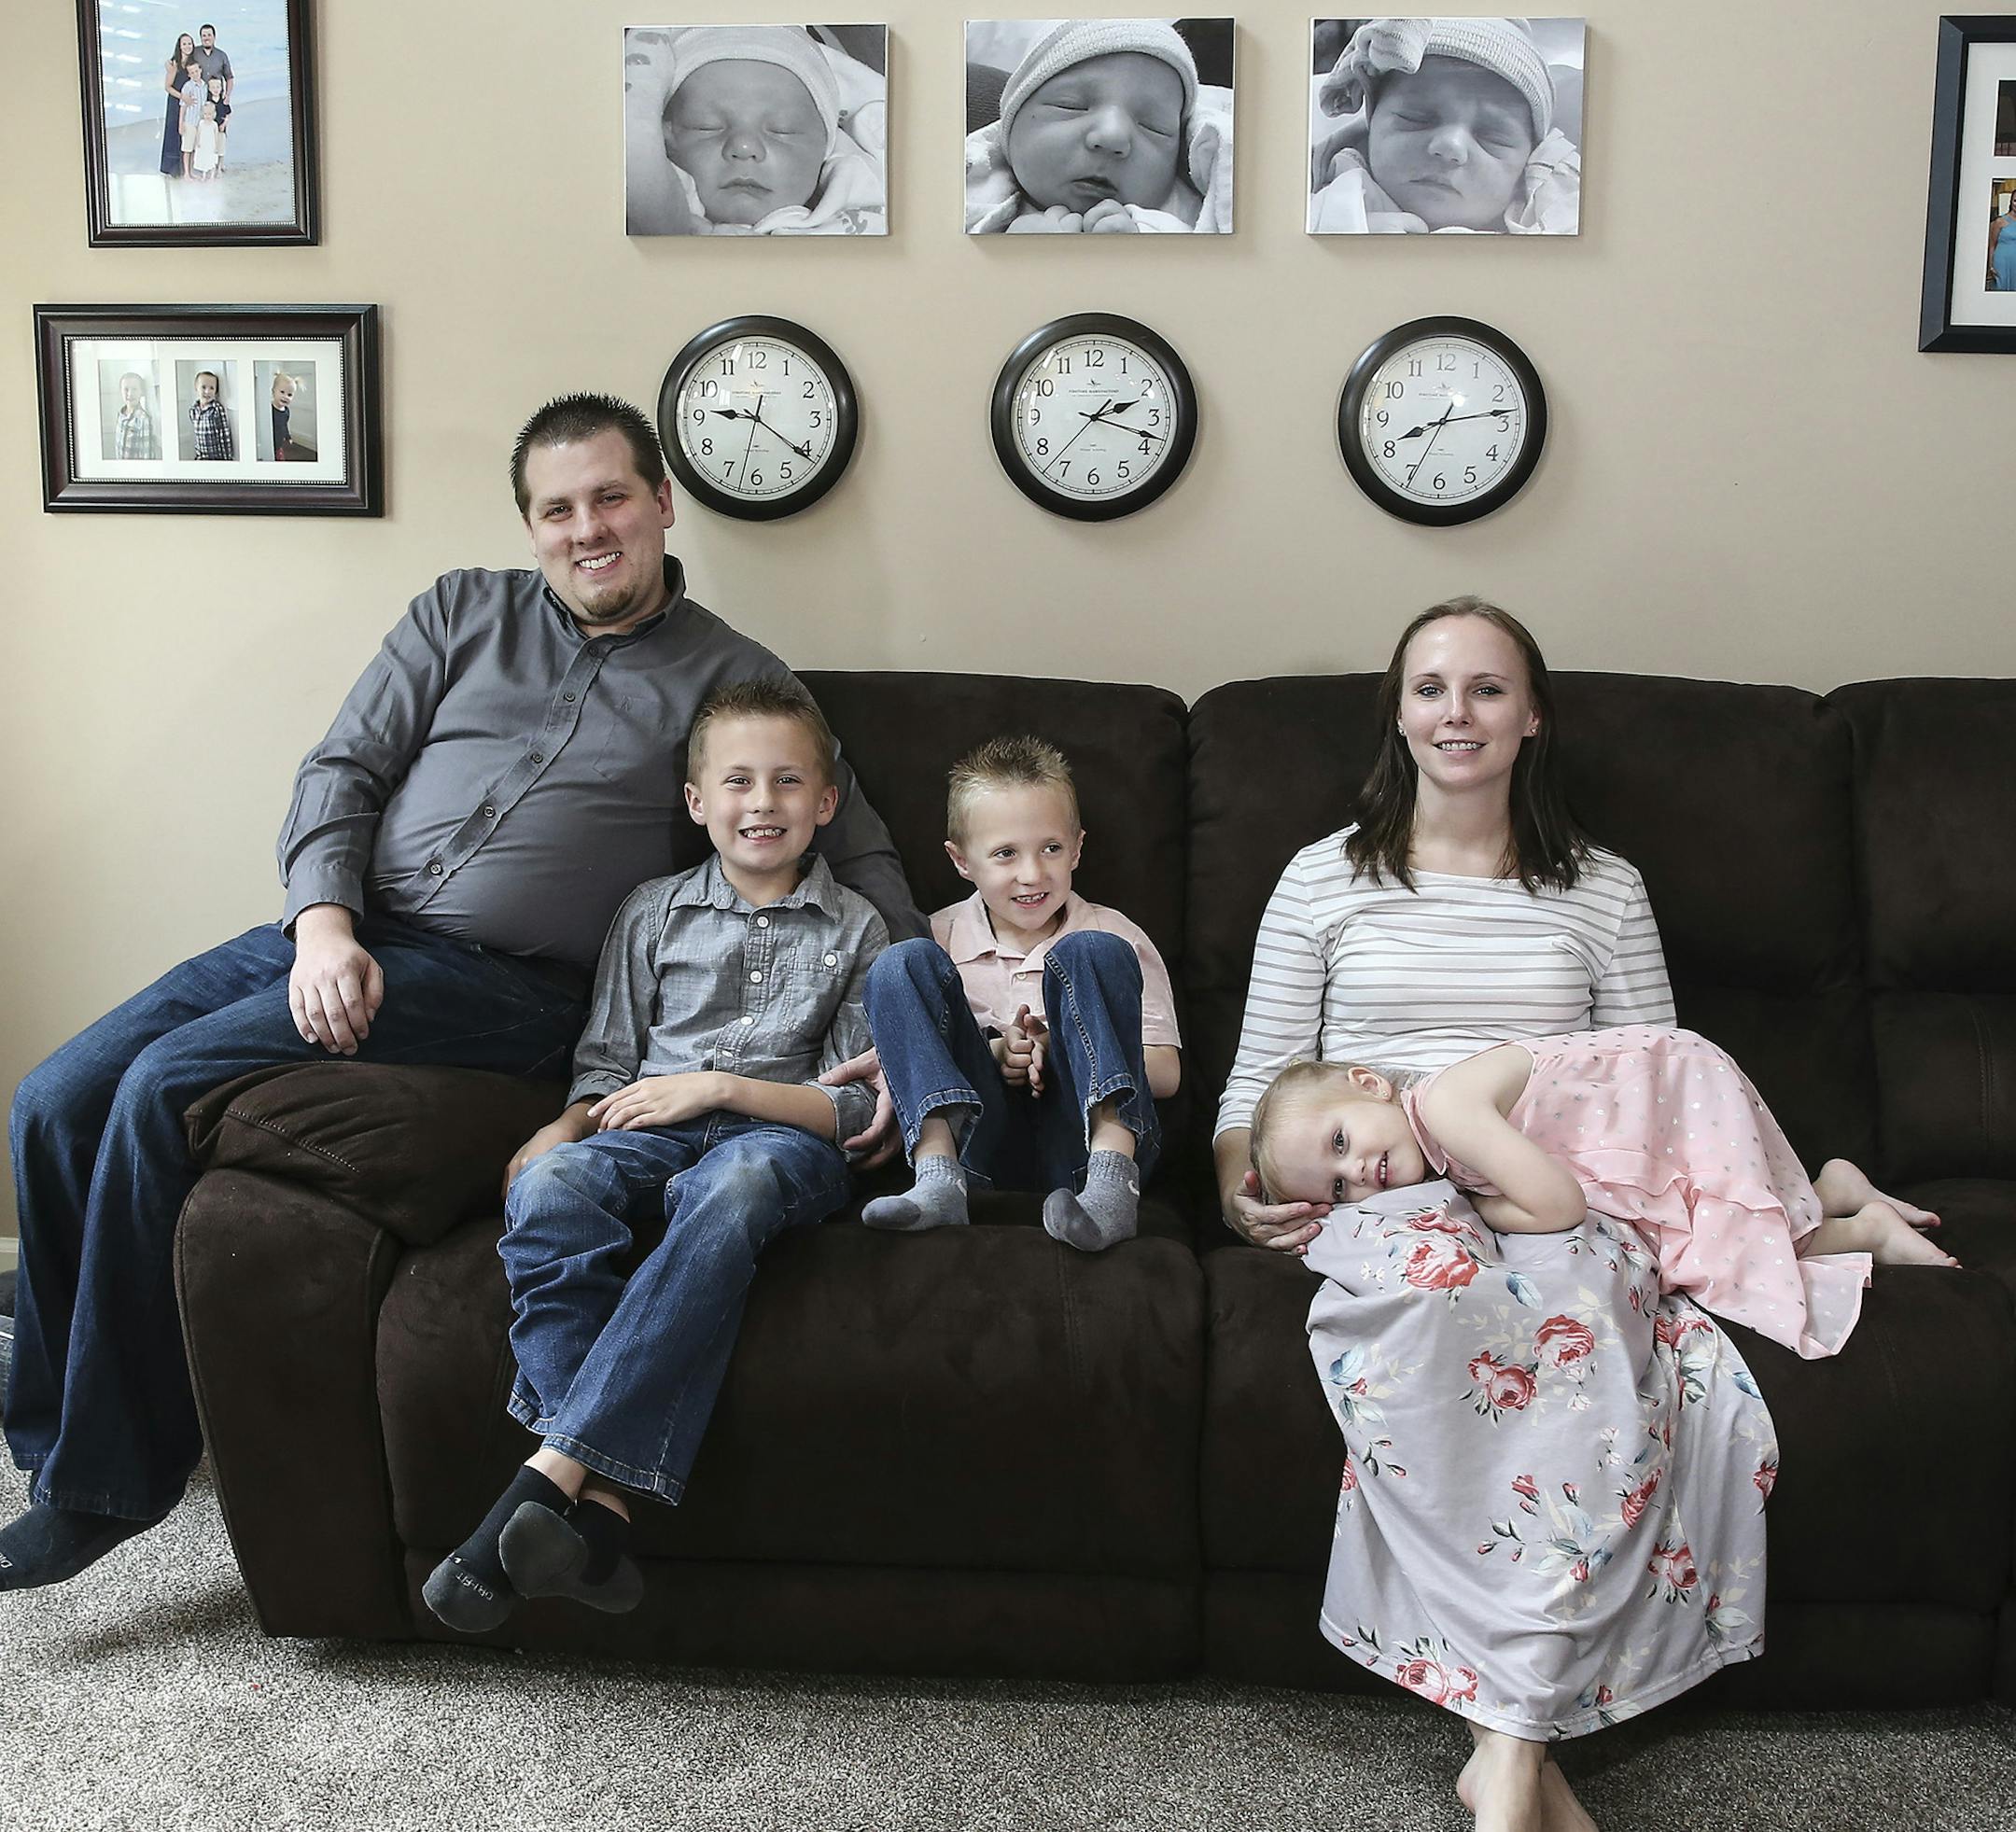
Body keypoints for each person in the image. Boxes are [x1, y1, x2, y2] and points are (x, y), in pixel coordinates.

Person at [2, 392, 921, 1594]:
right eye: (558, 508)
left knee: (165, 1088)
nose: (587, 528)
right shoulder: (458, 612)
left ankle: (104, 1485)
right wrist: (324, 924)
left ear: (661, 503)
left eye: (610, 498)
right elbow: (343, 765)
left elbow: (859, 859)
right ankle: (47, 1430)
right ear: (532, 524)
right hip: (339, 931)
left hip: (512, 988)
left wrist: (919, 1031)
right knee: (55, 1095)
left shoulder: (734, 675)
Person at [1214, 597, 1745, 1832]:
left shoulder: (1602, 887)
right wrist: (1250, 1193)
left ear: (1533, 715)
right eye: (1431, 687)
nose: (1458, 713)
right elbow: (1254, 1089)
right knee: (1451, 1304)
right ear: (1398, 713)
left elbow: (1652, 1071)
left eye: (1488, 689)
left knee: (1595, 1334)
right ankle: (1513, 1752)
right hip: (1387, 1182)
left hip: (1558, 1187)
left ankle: (1504, 1751)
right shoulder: (1324, 875)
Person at [424, 681, 887, 1631]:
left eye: (789, 781)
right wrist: (567, 1123)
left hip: (777, 1141)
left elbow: (849, 1108)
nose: (763, 801)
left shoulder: (860, 929)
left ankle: (546, 1475)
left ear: (826, 802)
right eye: (740, 781)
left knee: (736, 1184)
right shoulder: (653, 912)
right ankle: (599, 1520)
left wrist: (720, 1087)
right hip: (645, 1126)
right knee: (550, 1184)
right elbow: (605, 1061)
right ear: (696, 802)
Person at [1251, 1026, 1956, 1356]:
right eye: (1338, 1189)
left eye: (1341, 1141)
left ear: (1371, 1087)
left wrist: (1478, 1211)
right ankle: (1831, 1185)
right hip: (1639, 1115)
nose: (1359, 1174)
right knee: (1705, 1235)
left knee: (1722, 1252)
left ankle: (1863, 1226)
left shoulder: (1444, 1108)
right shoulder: (1431, 1137)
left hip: (1670, 1094)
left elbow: (1558, 1205)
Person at [857, 736, 1181, 1252]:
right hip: (978, 1146)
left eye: (1051, 848)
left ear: (1077, 846)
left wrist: (1060, 1046)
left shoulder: (1114, 933)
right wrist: (996, 1052)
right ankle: (937, 1178)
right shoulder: (938, 937)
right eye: (1005, 854)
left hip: (1083, 1145)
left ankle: (1112, 1192)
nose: (1032, 874)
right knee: (899, 962)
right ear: (961, 860)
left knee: (1090, 950)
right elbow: (905, 1057)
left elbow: (1164, 1073)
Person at [1309, 17, 1579, 234]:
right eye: (1416, 119)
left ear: (1529, 161)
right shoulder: (1324, 197)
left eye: (1491, 137)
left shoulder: (1558, 221)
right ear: (1371, 126)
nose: (1450, 146)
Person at [965, 20, 1234, 232]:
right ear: (1008, 130)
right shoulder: (960, 201)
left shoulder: (1191, 218)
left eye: (1154, 127)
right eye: (1071, 106)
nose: (1113, 136)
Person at [627, 25, 886, 236]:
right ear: (665, 136)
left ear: (826, 146)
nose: (743, 146)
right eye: (706, 126)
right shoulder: (639, 222)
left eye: (782, 130)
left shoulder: (872, 210)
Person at [191, 22, 233, 173]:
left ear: (214, 37)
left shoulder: (221, 55)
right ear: (200, 38)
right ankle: (203, 163)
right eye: (204, 35)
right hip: (202, 99)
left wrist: (227, 95)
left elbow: (229, 78)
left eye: (209, 35)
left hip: (218, 98)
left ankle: (220, 163)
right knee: (202, 130)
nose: (206, 38)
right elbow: (183, 61)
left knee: (220, 131)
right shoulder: (195, 53)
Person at [159, 34, 196, 178]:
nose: (187, 46)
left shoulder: (193, 63)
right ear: (179, 46)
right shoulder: (174, 64)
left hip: (188, 104)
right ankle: (171, 169)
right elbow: (167, 87)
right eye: (184, 44)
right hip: (175, 101)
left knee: (186, 133)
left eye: (189, 44)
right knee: (173, 133)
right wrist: (182, 97)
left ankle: (185, 168)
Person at [187, 368, 232, 459]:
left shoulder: (216, 409)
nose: (207, 391)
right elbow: (197, 437)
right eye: (203, 387)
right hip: (201, 457)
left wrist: (227, 458)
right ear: (196, 387)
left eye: (211, 388)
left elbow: (224, 434)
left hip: (216, 457)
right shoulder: (193, 410)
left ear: (216, 391)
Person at [114, 372, 161, 462]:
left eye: (134, 389)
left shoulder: (143, 419)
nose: (130, 394)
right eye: (126, 389)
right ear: (121, 391)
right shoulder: (120, 414)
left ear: (141, 392)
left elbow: (147, 453)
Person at [176, 54, 204, 183]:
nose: (194, 74)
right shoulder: (188, 86)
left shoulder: (204, 85)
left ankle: (192, 171)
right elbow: (182, 106)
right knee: (187, 148)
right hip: (189, 122)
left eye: (196, 71)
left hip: (200, 123)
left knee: (194, 148)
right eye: (191, 73)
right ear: (189, 75)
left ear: (200, 71)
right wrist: (181, 123)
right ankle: (186, 173)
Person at [192, 78, 224, 180]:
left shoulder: (214, 124)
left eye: (209, 114)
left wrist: (216, 145)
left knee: (211, 159)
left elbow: (215, 135)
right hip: (203, 143)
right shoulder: (201, 123)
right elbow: (199, 133)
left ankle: (211, 175)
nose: (207, 116)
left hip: (211, 144)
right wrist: (197, 142)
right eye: (205, 114)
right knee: (204, 159)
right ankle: (204, 175)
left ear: (213, 114)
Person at [269, 371, 296, 458]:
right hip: (269, 443)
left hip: (279, 445)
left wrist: (288, 436)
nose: (286, 397)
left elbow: (284, 425)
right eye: (282, 392)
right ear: (273, 392)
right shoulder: (269, 409)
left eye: (289, 394)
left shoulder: (286, 411)